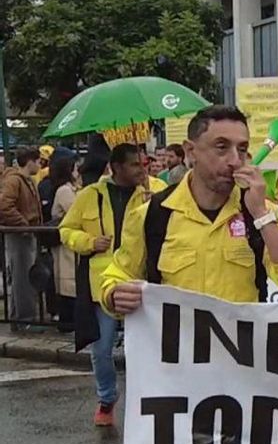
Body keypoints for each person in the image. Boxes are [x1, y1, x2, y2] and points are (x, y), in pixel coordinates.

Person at [100, 104, 278, 324]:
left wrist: (261, 214)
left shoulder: (262, 214)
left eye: (242, 149)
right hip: (177, 345)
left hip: (241, 345)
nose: (235, 160)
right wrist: (113, 295)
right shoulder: (151, 214)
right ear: (190, 151)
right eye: (221, 147)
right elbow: (119, 274)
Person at [60, 143, 168, 426]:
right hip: (103, 285)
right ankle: (106, 398)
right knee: (101, 348)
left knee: (148, 350)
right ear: (116, 167)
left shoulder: (157, 190)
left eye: (143, 164)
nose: (141, 169)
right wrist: (88, 242)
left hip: (144, 283)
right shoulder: (90, 195)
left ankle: (150, 400)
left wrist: (154, 205)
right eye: (134, 164)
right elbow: (66, 230)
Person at [1, 146, 45, 330]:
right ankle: (25, 319)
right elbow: (4, 206)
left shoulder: (23, 180)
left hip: (24, 232)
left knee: (23, 276)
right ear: (30, 161)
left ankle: (19, 319)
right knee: (23, 278)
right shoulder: (15, 180)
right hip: (20, 234)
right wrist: (23, 224)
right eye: (38, 161)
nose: (40, 165)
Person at [48, 155, 80, 334]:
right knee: (68, 282)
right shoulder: (65, 191)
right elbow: (76, 211)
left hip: (71, 243)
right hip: (66, 243)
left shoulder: (72, 189)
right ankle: (67, 322)